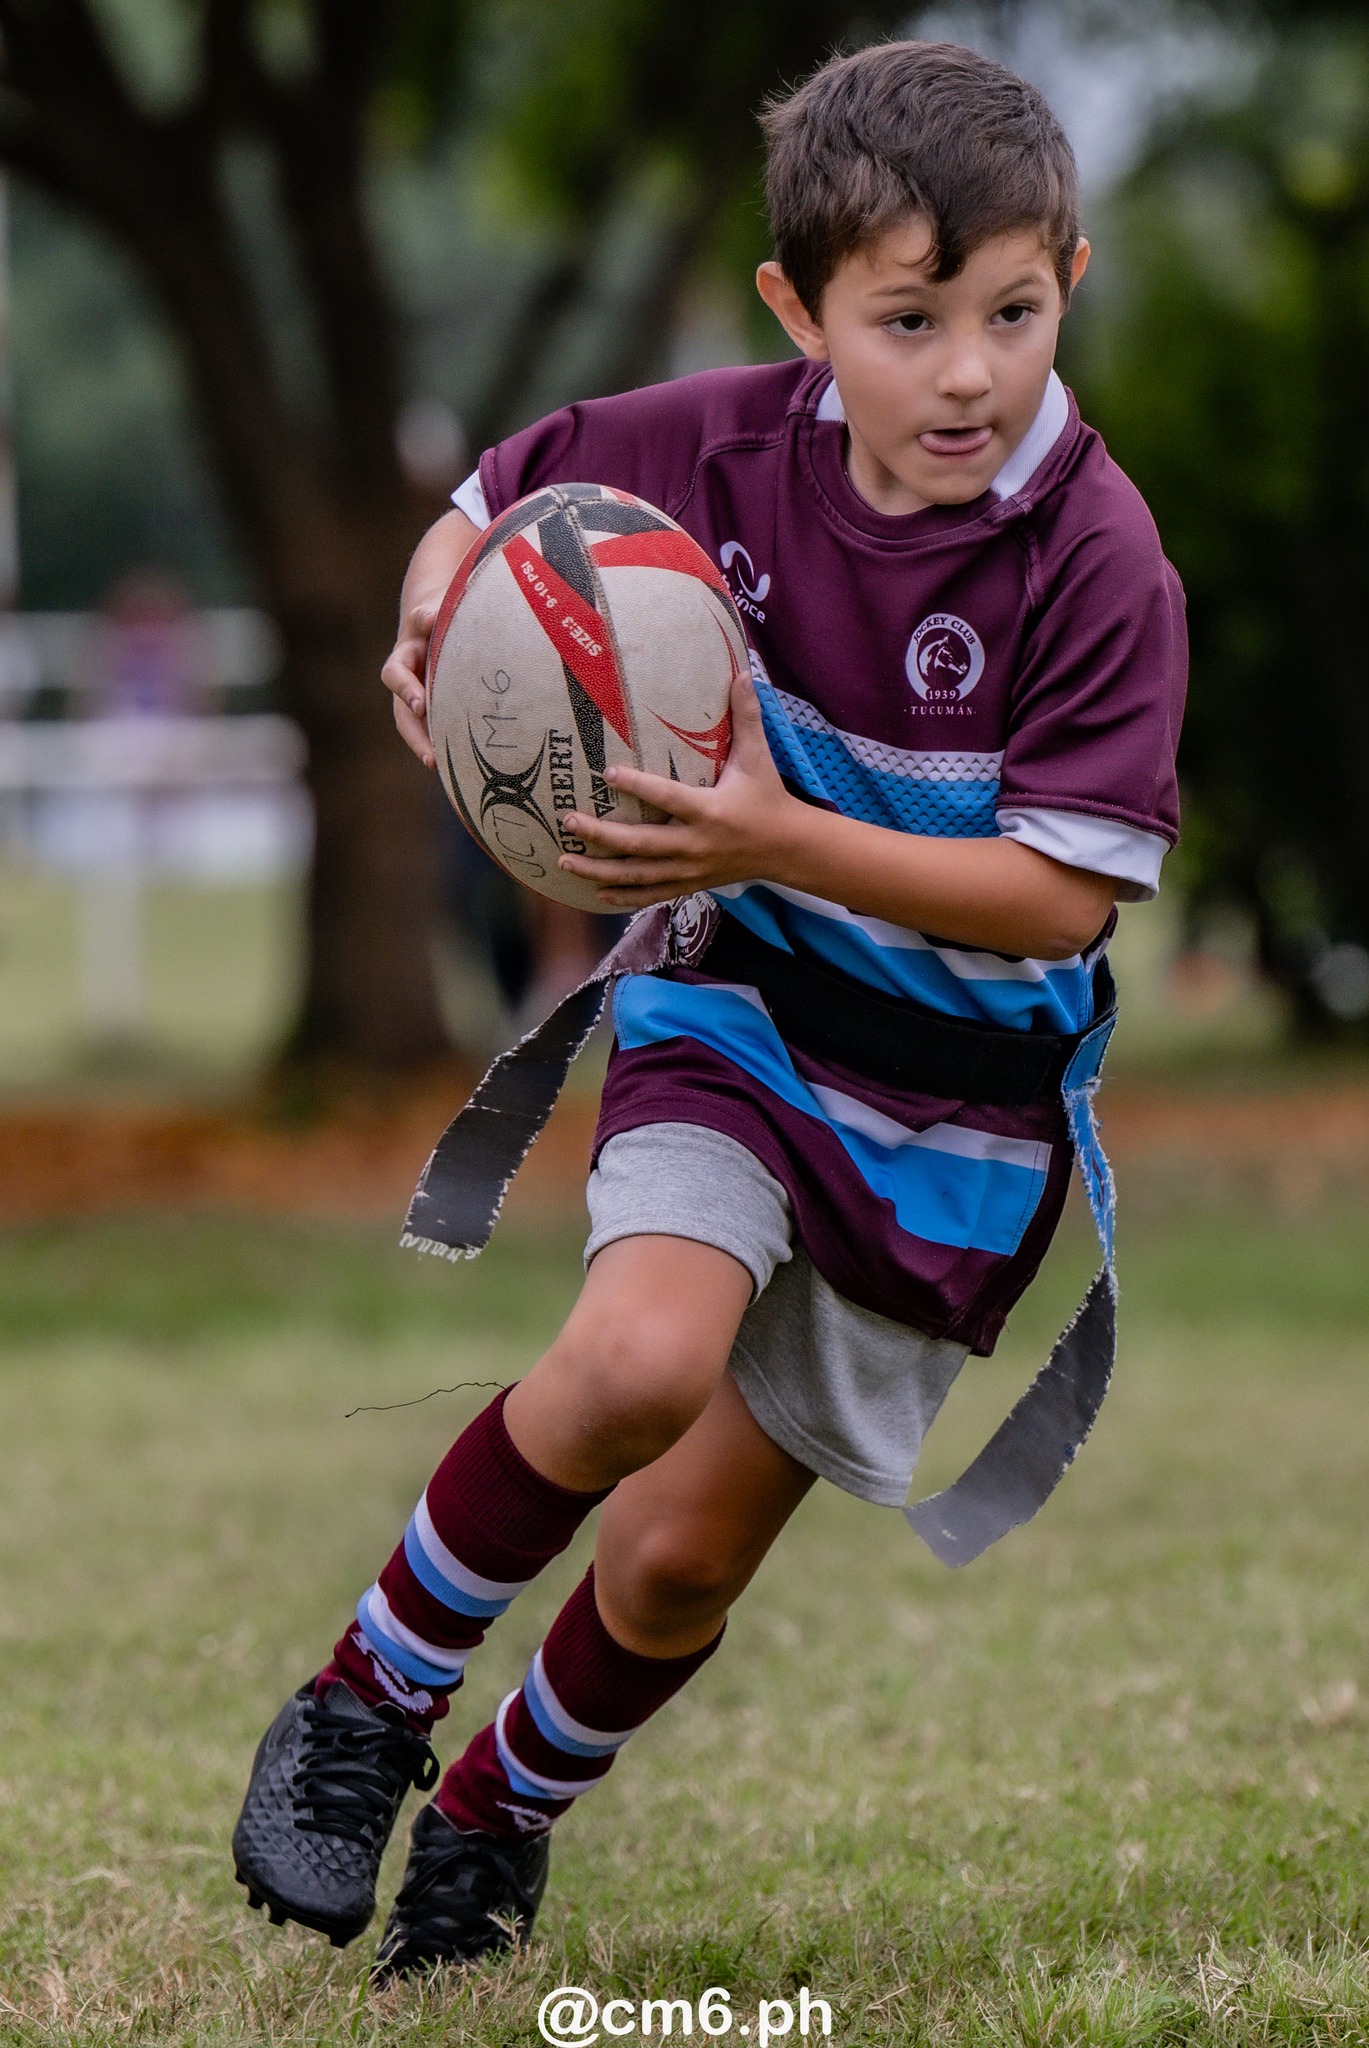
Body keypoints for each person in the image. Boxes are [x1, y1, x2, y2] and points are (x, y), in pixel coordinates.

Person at [232, 39, 1186, 1982]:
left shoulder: (1096, 560)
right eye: (905, 321)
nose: (965, 370)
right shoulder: (725, 443)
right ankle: (364, 1702)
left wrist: (780, 823)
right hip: (739, 1007)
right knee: (634, 1362)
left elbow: (1059, 893)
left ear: (1066, 280)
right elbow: (489, 495)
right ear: (800, 312)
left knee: (672, 1562)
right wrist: (441, 614)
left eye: (1008, 312)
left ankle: (500, 1811)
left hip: (952, 1116)